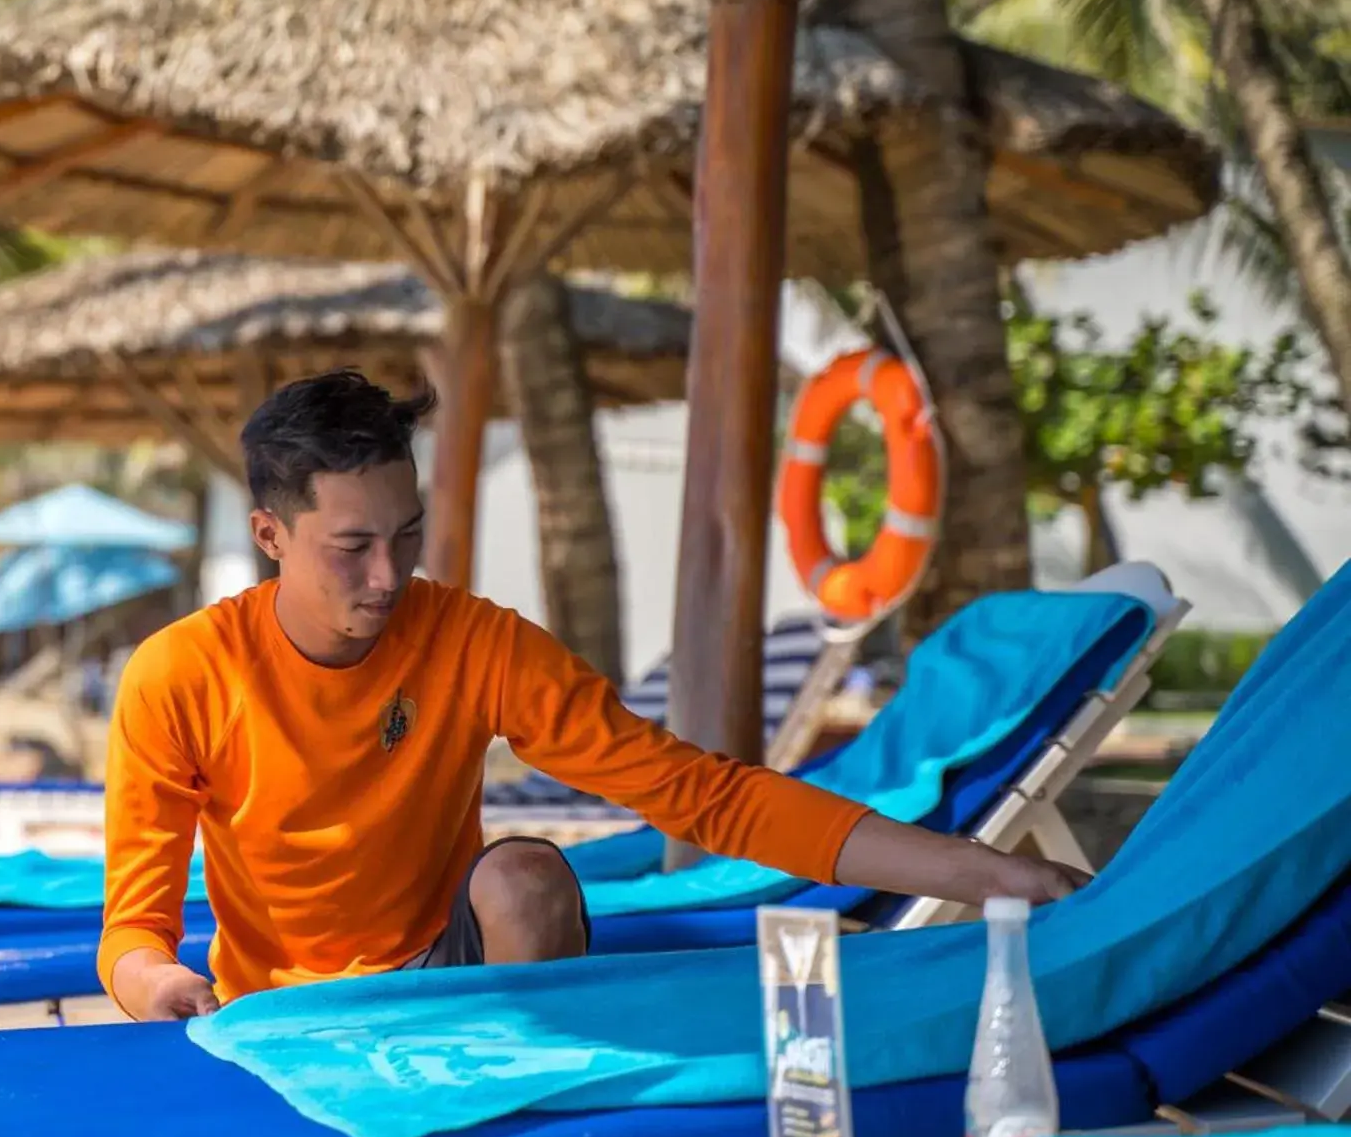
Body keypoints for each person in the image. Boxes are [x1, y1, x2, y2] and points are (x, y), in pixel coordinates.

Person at [101, 371, 1087, 1022]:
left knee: (527, 876)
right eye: (350, 547)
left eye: (406, 534)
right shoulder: (178, 674)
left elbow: (704, 796)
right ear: (268, 536)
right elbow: (134, 930)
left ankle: (523, 1119)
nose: (388, 575)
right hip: (272, 1010)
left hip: (447, 978)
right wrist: (159, 985)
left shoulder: (473, 640)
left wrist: (982, 873)